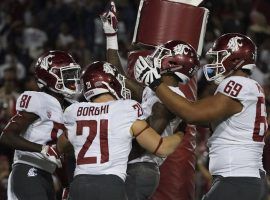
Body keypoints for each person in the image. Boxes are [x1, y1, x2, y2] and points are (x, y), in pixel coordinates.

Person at [134, 33, 268, 200]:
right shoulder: (249, 86)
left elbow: (192, 114)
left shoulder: (237, 84)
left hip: (237, 179)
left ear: (234, 60)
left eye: (218, 57)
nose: (213, 63)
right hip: (246, 178)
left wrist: (155, 83)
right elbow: (203, 118)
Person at [100, 2, 200, 199]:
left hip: (139, 167)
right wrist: (111, 36)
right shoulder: (158, 93)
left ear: (172, 64)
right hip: (135, 166)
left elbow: (147, 144)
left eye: (162, 55)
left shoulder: (167, 102)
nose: (155, 57)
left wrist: (108, 156)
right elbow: (116, 76)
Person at [56, 61, 184, 200]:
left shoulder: (75, 111)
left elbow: (61, 146)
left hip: (79, 184)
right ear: (110, 83)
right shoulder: (126, 109)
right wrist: (181, 133)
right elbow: (161, 148)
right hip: (110, 184)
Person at [0, 50, 81, 200]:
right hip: (27, 169)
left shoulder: (69, 107)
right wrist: (42, 149)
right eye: (67, 74)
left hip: (47, 175)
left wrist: (66, 186)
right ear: (50, 76)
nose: (73, 79)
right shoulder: (39, 100)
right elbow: (6, 136)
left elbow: (59, 156)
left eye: (73, 73)